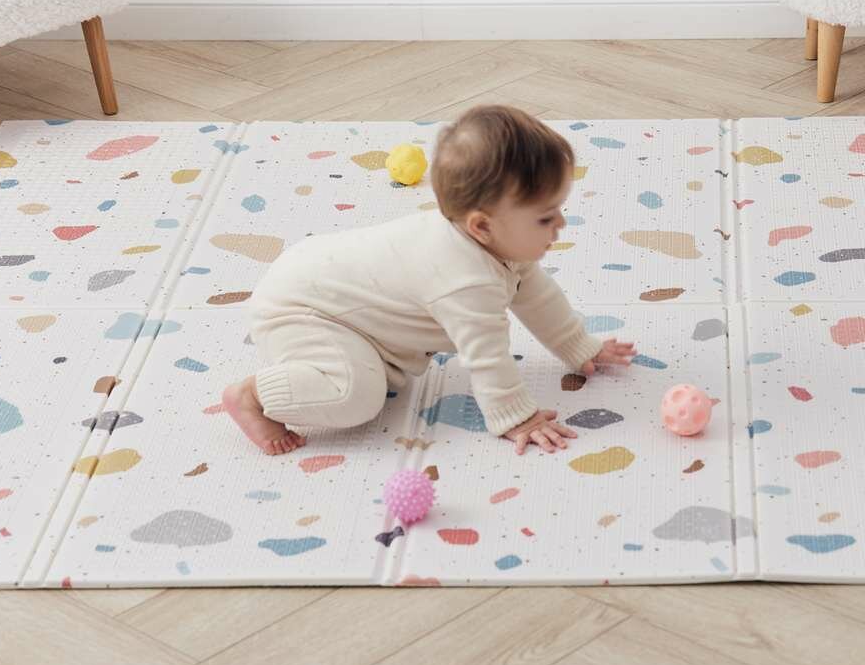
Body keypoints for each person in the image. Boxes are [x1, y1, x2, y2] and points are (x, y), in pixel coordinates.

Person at [221, 104, 636, 455]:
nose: (561, 224)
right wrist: (517, 416)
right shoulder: (464, 280)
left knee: (375, 379)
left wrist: (579, 347)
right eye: (545, 217)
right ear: (482, 226)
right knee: (355, 396)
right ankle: (251, 395)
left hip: (332, 295)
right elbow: (486, 355)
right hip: (301, 311)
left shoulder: (495, 243)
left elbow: (538, 297)